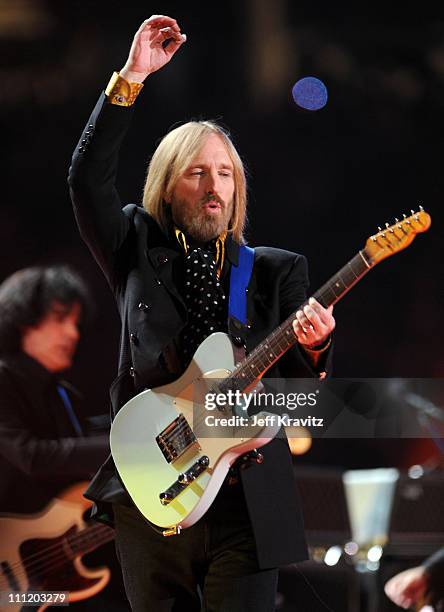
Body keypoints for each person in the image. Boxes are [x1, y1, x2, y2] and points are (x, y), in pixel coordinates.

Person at [68, 15, 335, 611]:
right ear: (168, 185)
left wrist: (315, 349)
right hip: (152, 489)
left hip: (248, 496)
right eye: (198, 173)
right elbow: (86, 181)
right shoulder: (134, 243)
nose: (214, 186)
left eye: (225, 175)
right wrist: (133, 76)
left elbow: (301, 398)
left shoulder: (275, 271)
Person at [0, 265, 110, 513]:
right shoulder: (4, 380)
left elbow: (79, 446)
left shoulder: (62, 391)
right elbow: (32, 456)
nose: (73, 334)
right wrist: (123, 446)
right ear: (22, 320)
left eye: (75, 323)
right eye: (60, 319)